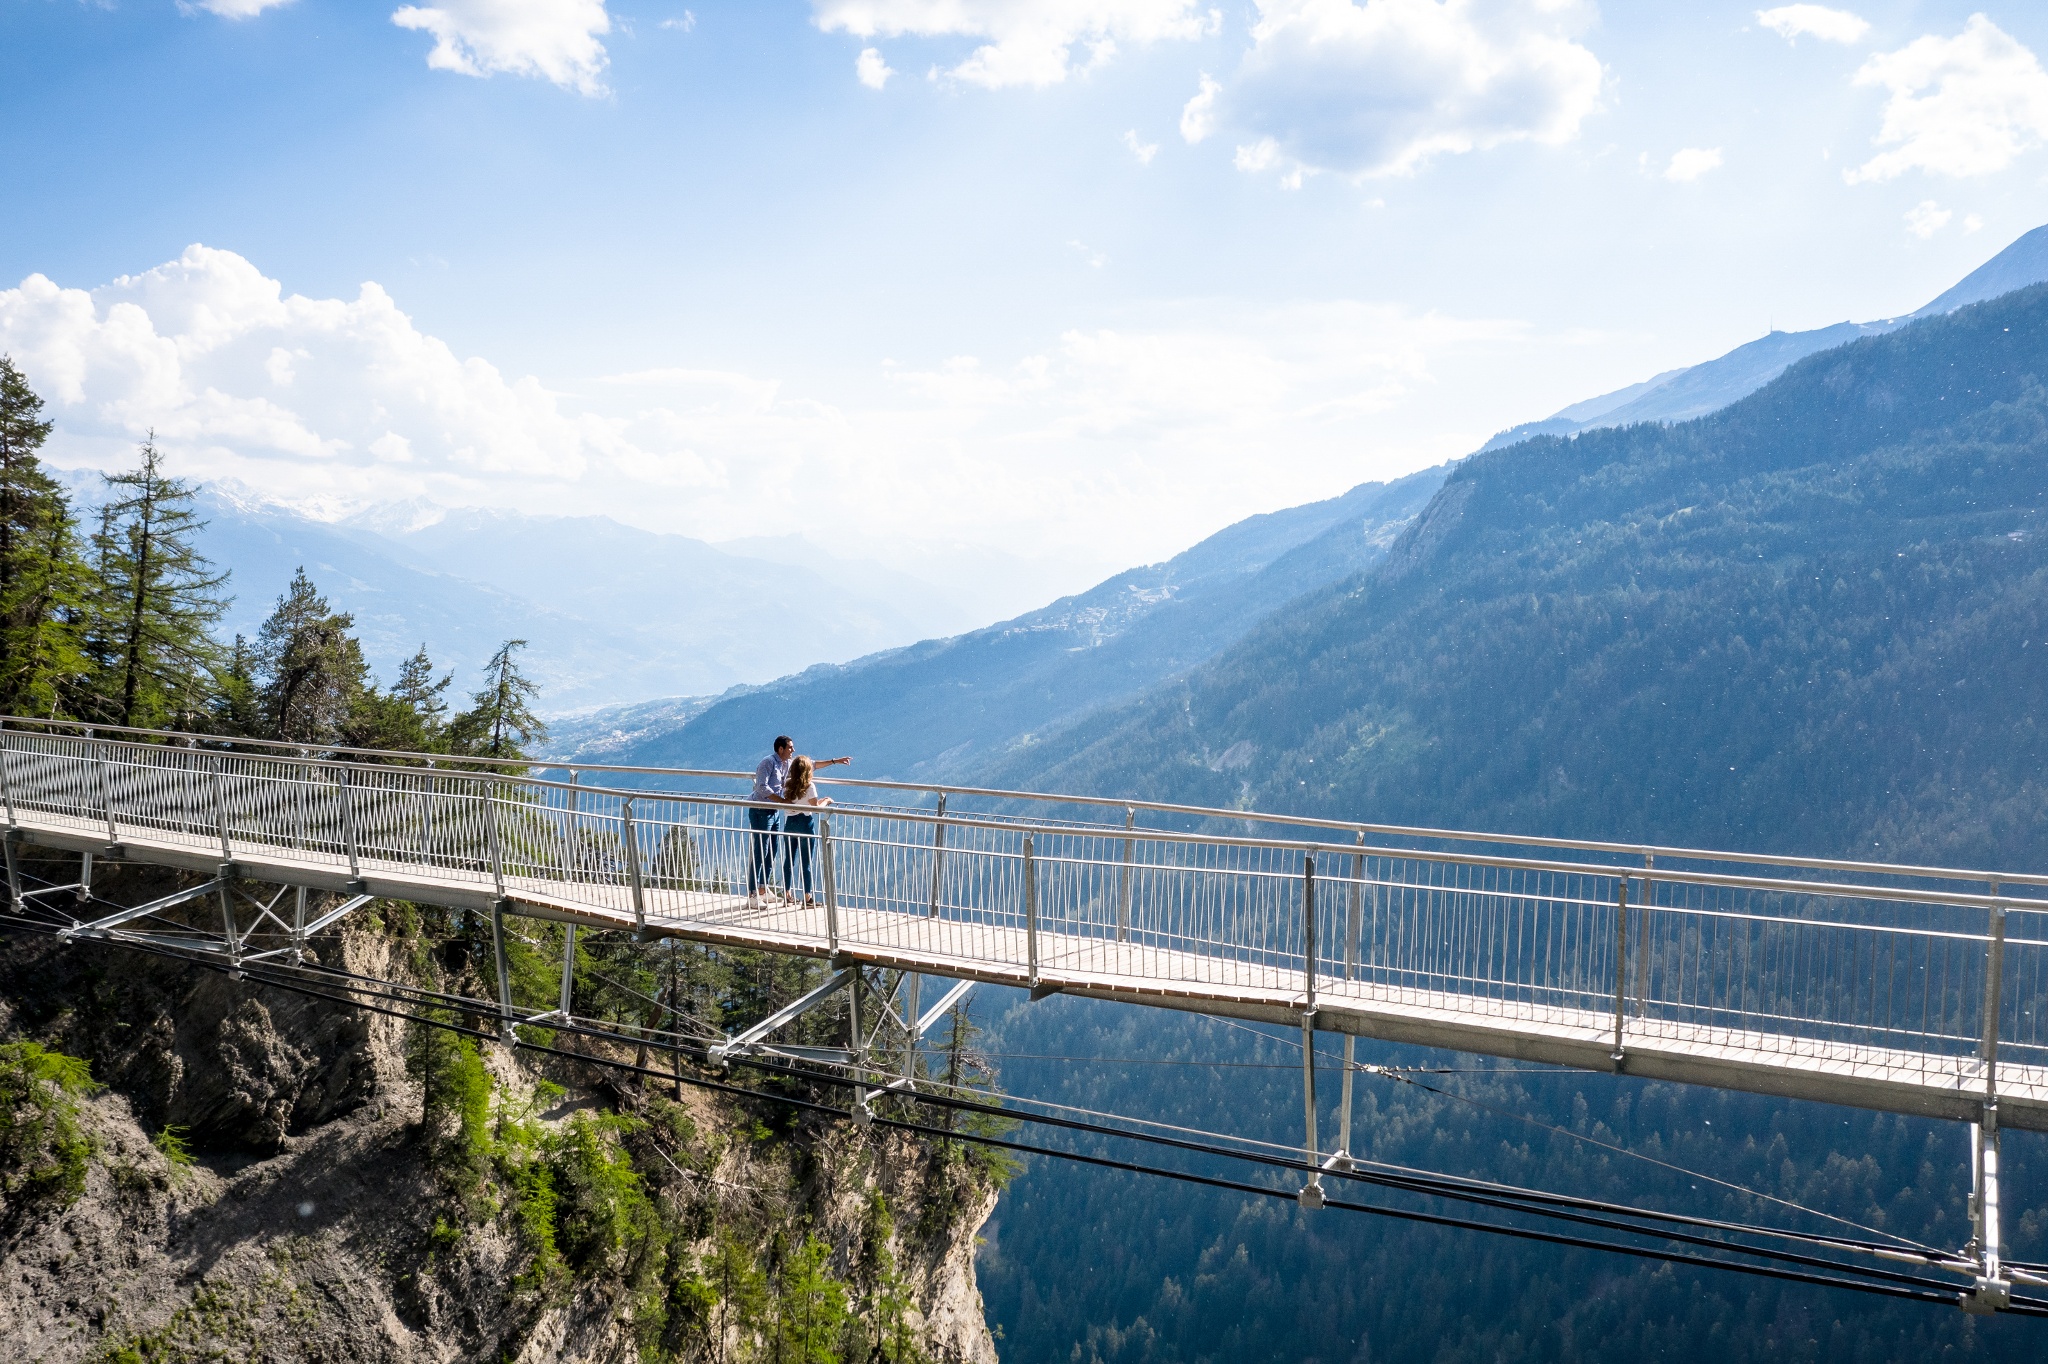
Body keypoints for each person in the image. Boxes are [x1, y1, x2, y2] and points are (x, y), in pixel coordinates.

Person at [747, 736, 851, 906]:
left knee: (771, 851)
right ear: (780, 749)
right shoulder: (768, 763)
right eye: (790, 747)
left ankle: (763, 889)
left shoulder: (788, 763)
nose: (792, 750)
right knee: (760, 851)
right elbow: (761, 787)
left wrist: (834, 761)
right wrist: (782, 801)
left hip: (776, 812)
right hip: (761, 810)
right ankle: (752, 894)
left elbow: (811, 765)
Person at [780, 755, 833, 906]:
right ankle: (807, 897)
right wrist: (826, 801)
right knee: (806, 862)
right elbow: (815, 808)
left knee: (788, 860)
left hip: (790, 823)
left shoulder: (787, 784)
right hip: (805, 824)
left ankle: (787, 894)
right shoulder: (809, 786)